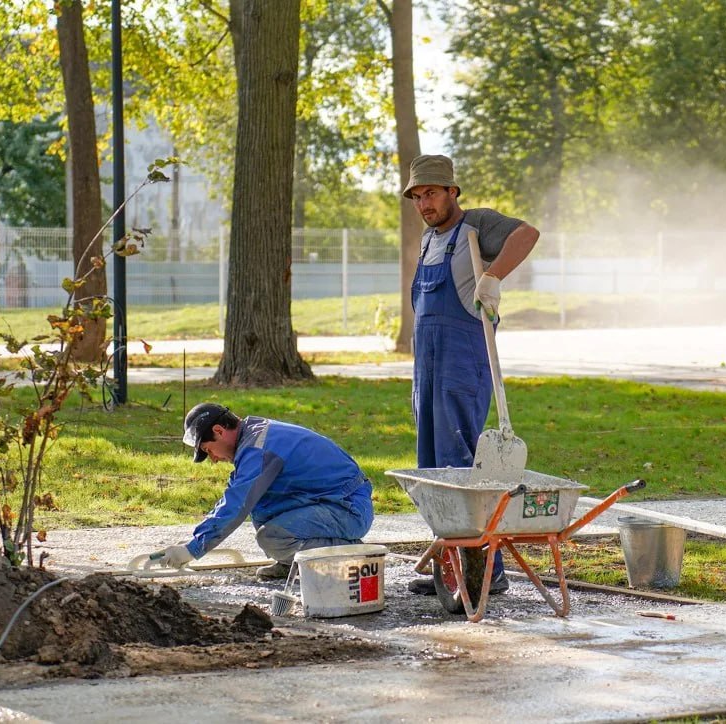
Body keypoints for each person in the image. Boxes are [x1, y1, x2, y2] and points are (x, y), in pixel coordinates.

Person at [402, 154, 540, 595]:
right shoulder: (428, 239)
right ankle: (451, 570)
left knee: (461, 468)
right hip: (427, 368)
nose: (425, 203)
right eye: (418, 196)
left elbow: (528, 233)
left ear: (451, 192)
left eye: (432, 193)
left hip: (463, 363)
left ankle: (486, 574)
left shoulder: (477, 225)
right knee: (434, 473)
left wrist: (494, 277)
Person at [150, 403, 375, 580]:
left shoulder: (257, 449)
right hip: (335, 501)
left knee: (272, 536)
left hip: (348, 509)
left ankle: (350, 555)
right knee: (263, 508)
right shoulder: (254, 436)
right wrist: (194, 539)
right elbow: (236, 498)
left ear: (219, 431)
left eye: (209, 450)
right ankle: (292, 564)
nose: (214, 459)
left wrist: (193, 549)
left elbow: (236, 504)